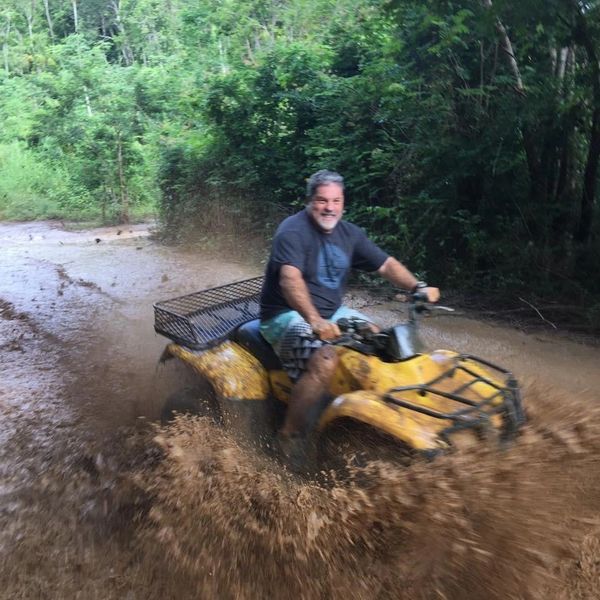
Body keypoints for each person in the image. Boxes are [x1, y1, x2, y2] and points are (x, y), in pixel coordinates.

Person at [259, 169, 439, 454]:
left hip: (333, 312)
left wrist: (418, 286)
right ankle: (289, 436)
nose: (329, 208)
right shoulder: (292, 231)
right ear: (309, 201)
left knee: (379, 339)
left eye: (336, 201)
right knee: (325, 359)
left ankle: (389, 413)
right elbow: (289, 279)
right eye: (322, 200)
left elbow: (386, 264)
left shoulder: (350, 234)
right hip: (284, 314)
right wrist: (315, 320)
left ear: (343, 203)